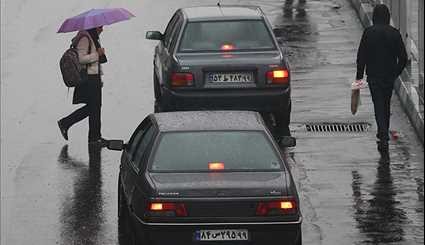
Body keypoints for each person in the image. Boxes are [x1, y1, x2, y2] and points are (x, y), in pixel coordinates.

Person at [356, 4, 408, 163]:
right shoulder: (394, 33)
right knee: (385, 103)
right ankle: (383, 131)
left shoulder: (368, 33)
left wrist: (359, 77)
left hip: (374, 76)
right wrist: (395, 73)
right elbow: (404, 58)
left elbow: (361, 56)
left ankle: (383, 134)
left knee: (378, 103)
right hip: (388, 76)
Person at [58, 26, 108, 146]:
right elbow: (81, 59)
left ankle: (94, 137)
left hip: (93, 77)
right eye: (100, 27)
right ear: (94, 27)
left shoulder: (92, 38)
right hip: (88, 79)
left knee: (94, 107)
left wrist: (99, 76)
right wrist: (97, 54)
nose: (102, 29)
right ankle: (93, 137)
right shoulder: (85, 39)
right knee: (94, 107)